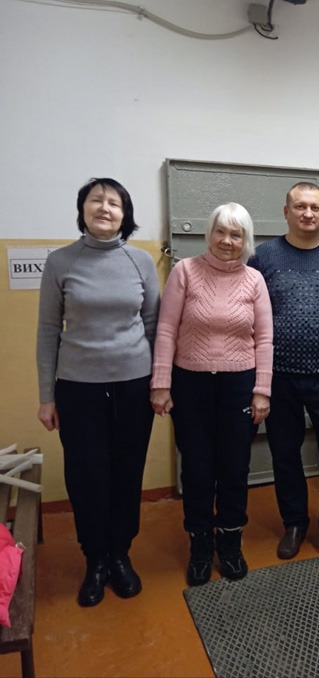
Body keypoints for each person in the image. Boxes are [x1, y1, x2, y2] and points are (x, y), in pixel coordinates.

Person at [36, 177, 159, 607]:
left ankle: (120, 555)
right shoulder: (61, 261)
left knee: (127, 472)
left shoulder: (140, 261)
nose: (104, 208)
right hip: (78, 389)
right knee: (86, 476)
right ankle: (95, 559)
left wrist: (157, 381)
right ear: (83, 209)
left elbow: (153, 324)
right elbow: (48, 331)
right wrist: (46, 396)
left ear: (125, 214)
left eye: (114, 203)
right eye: (96, 200)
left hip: (133, 386)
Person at [150, 203, 273, 585]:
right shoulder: (185, 271)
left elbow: (265, 339)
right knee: (197, 468)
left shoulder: (254, 280)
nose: (227, 240)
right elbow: (166, 330)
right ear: (210, 233)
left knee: (235, 468)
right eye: (221, 231)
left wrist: (262, 391)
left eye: (236, 234)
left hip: (239, 385)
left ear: (245, 240)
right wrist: (161, 383)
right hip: (191, 384)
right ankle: (200, 545)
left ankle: (230, 543)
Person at [248, 182, 319, 565]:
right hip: (278, 377)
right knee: (285, 454)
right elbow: (248, 313)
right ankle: (295, 523)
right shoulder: (262, 257)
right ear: (286, 212)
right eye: (300, 206)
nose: (308, 214)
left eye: (315, 207)